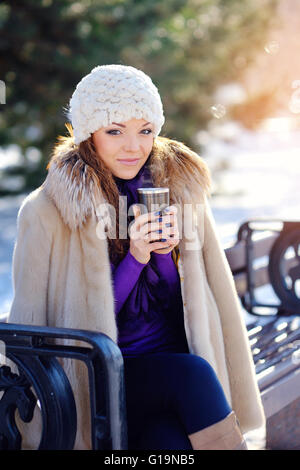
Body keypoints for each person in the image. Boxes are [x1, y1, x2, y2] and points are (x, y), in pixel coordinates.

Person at [8, 64, 265, 450]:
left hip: (171, 372)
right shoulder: (47, 211)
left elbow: (187, 304)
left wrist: (164, 256)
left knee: (172, 445)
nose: (134, 147)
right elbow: (41, 325)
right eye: (115, 131)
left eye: (145, 130)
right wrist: (135, 259)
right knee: (190, 375)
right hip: (101, 381)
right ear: (87, 134)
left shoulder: (179, 190)